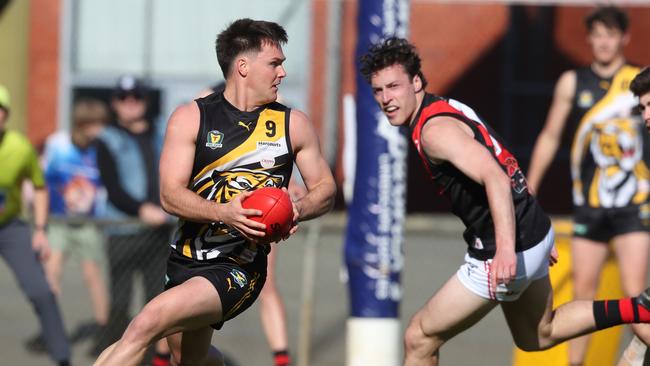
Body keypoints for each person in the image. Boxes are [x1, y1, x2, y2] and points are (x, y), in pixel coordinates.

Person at [359, 37, 650, 366]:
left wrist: (508, 250)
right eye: (378, 91)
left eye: (393, 87)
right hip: (532, 229)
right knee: (539, 334)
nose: (386, 99)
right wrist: (534, 228)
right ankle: (639, 309)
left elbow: (495, 176)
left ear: (415, 82)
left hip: (505, 246)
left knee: (419, 337)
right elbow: (505, 159)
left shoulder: (434, 132)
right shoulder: (447, 106)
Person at [93, 18, 336, 366]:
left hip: (238, 267)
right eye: (274, 64)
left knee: (145, 323)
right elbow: (169, 196)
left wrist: (298, 207)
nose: (282, 73)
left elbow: (325, 189)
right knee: (189, 359)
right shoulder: (191, 117)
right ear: (242, 66)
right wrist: (225, 212)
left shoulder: (291, 124)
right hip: (184, 260)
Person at [526, 7, 650, 365]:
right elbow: (550, 136)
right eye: (597, 34)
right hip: (590, 204)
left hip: (633, 204)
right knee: (584, 293)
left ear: (624, 38)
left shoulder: (638, 83)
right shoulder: (571, 82)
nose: (604, 42)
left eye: (610, 34)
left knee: (635, 294)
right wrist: (529, 188)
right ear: (589, 39)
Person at [198, 80, 299, 366]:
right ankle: (166, 356)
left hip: (255, 219)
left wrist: (293, 200)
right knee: (176, 317)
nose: (279, 73)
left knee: (267, 285)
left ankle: (281, 358)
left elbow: (283, 176)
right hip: (210, 223)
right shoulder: (204, 111)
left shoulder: (274, 121)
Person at [92, 75, 173, 365]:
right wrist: (142, 209)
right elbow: (112, 188)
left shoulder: (163, 132)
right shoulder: (106, 139)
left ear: (144, 100)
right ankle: (116, 357)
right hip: (124, 231)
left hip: (161, 233)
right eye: (124, 98)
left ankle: (157, 360)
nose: (130, 103)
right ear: (115, 103)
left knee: (160, 303)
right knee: (120, 303)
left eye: (135, 97)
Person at [0, 84, 72, 366]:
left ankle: (63, 357)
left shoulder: (19, 148)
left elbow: (39, 188)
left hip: (10, 228)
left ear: (6, 116)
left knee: (41, 291)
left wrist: (40, 230)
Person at [42, 97, 110, 348]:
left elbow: (106, 185)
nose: (97, 129)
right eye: (92, 124)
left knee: (93, 274)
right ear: (80, 124)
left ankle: (104, 329)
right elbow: (45, 179)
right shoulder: (58, 144)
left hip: (89, 223)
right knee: (52, 270)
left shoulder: (101, 149)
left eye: (100, 124)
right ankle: (49, 328)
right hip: (59, 220)